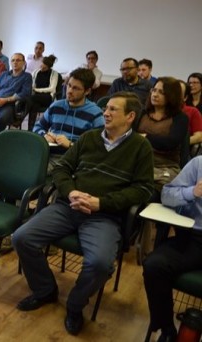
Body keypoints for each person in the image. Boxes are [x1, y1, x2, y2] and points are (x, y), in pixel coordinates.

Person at [12, 91, 155, 336]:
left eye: (113, 110)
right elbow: (62, 169)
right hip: (69, 206)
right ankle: (45, 290)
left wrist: (102, 203)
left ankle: (75, 305)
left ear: (130, 116)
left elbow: (143, 190)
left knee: (100, 263)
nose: (105, 113)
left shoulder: (140, 147)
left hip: (104, 215)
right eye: (106, 108)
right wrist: (71, 192)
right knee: (21, 237)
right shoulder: (89, 138)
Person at [143, 156, 202, 342]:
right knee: (154, 265)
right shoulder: (199, 164)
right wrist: (193, 192)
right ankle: (166, 329)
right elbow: (166, 195)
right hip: (195, 238)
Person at [33, 68, 104, 170]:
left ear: (87, 91)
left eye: (76, 88)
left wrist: (71, 145)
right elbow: (37, 126)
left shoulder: (95, 113)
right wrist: (43, 135)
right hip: (46, 152)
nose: (69, 91)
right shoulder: (57, 105)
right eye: (69, 85)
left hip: (72, 160)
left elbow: (98, 147)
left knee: (30, 170)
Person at [134, 77, 188, 191]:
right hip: (137, 163)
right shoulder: (142, 113)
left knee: (144, 192)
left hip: (164, 167)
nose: (155, 94)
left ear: (171, 95)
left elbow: (170, 143)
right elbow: (130, 135)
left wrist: (145, 137)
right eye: (154, 90)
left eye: (161, 92)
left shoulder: (180, 118)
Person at [25, 55, 59, 131]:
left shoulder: (54, 74)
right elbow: (32, 84)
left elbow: (52, 88)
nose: (42, 68)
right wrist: (33, 89)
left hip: (48, 97)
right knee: (34, 105)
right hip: (36, 97)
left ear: (49, 67)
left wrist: (37, 90)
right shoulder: (36, 72)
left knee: (31, 98)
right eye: (42, 65)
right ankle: (30, 129)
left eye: (45, 67)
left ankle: (21, 116)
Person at [179, 80, 202, 148]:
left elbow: (199, 136)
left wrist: (181, 143)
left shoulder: (192, 111)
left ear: (185, 97)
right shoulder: (160, 109)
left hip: (181, 150)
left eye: (178, 92)